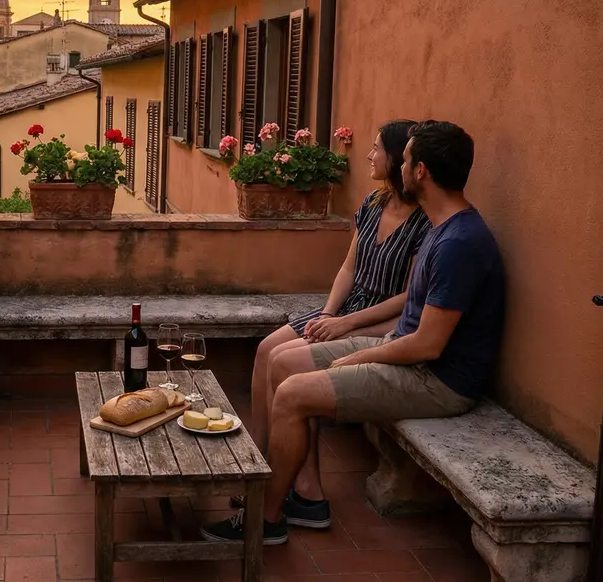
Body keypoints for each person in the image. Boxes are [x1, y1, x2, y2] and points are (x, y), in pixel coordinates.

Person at [204, 120, 506, 545]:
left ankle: (265, 519)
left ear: (421, 172)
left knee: (292, 393)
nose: (398, 166)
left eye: (403, 159)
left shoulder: (459, 243)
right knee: (282, 360)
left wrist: (357, 355)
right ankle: (293, 494)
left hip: (437, 379)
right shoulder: (445, 228)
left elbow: (428, 343)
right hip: (407, 352)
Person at [239, 121, 432, 509]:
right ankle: (256, 464)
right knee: (265, 350)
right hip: (345, 307)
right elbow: (348, 268)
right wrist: (328, 313)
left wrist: (345, 323)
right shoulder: (372, 204)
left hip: (379, 319)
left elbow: (409, 297)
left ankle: (308, 488)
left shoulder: (424, 223)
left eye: (376, 148)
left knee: (291, 367)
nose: (369, 155)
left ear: (397, 160)